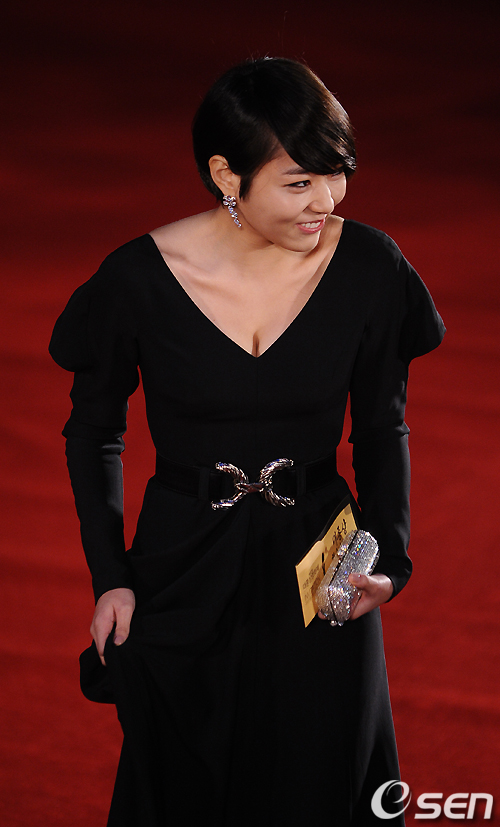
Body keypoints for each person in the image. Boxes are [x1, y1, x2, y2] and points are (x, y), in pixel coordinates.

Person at [49, 57, 445, 826]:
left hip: (322, 563)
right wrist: (112, 577)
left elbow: (382, 425)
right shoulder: (136, 278)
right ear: (226, 176)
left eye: (337, 174)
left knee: (326, 780)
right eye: (299, 182)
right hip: (180, 562)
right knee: (179, 789)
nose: (326, 200)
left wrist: (388, 558)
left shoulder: (371, 265)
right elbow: (93, 431)